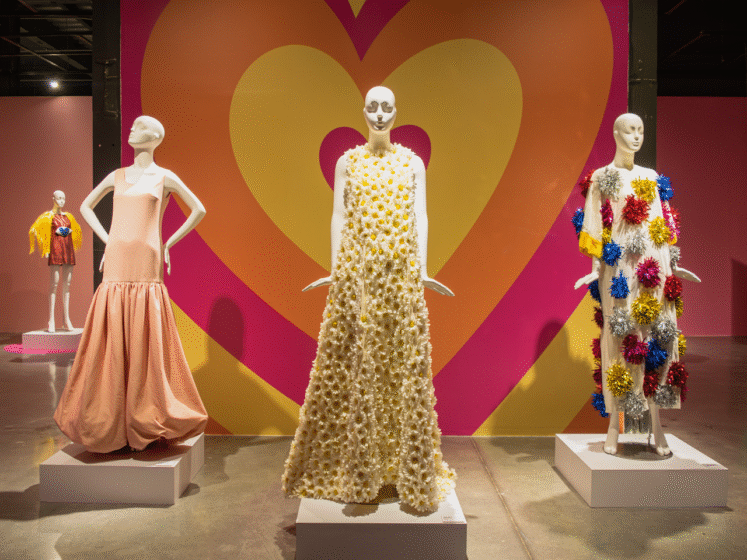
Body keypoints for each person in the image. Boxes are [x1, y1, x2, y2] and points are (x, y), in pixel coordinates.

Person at [282, 87, 456, 512]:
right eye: (373, 107)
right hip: (357, 278)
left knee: (399, 365)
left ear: (397, 112)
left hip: (399, 280)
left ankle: (400, 468)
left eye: (387, 107)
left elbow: (420, 215)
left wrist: (422, 269)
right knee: (356, 365)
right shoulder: (348, 162)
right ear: (363, 111)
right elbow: (339, 214)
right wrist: (335, 267)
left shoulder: (412, 163)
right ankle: (357, 468)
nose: (379, 114)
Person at [53, 116, 208, 453]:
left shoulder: (165, 177)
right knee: (112, 329)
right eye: (133, 126)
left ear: (155, 136)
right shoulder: (117, 176)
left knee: (145, 332)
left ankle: (145, 416)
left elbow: (199, 209)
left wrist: (168, 243)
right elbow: (85, 206)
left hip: (147, 259)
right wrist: (107, 239)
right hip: (118, 259)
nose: (132, 130)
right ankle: (108, 418)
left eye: (140, 127)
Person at [574, 113, 699, 455]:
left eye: (640, 130)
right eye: (630, 130)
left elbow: (664, 225)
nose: (636, 136)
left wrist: (674, 265)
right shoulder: (602, 177)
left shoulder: (652, 177)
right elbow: (595, 224)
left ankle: (657, 427)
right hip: (618, 272)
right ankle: (615, 426)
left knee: (658, 339)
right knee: (620, 342)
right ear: (616, 133)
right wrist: (595, 267)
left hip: (655, 269)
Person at [29, 190, 82, 332]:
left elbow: (75, 231)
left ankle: (67, 319)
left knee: (67, 285)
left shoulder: (68, 216)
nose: (61, 201)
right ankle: (51, 319)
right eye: (59, 198)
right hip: (56, 250)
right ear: (53, 198)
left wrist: (63, 231)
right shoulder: (48, 216)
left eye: (63, 198)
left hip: (68, 250)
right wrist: (45, 246)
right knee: (54, 284)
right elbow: (36, 229)